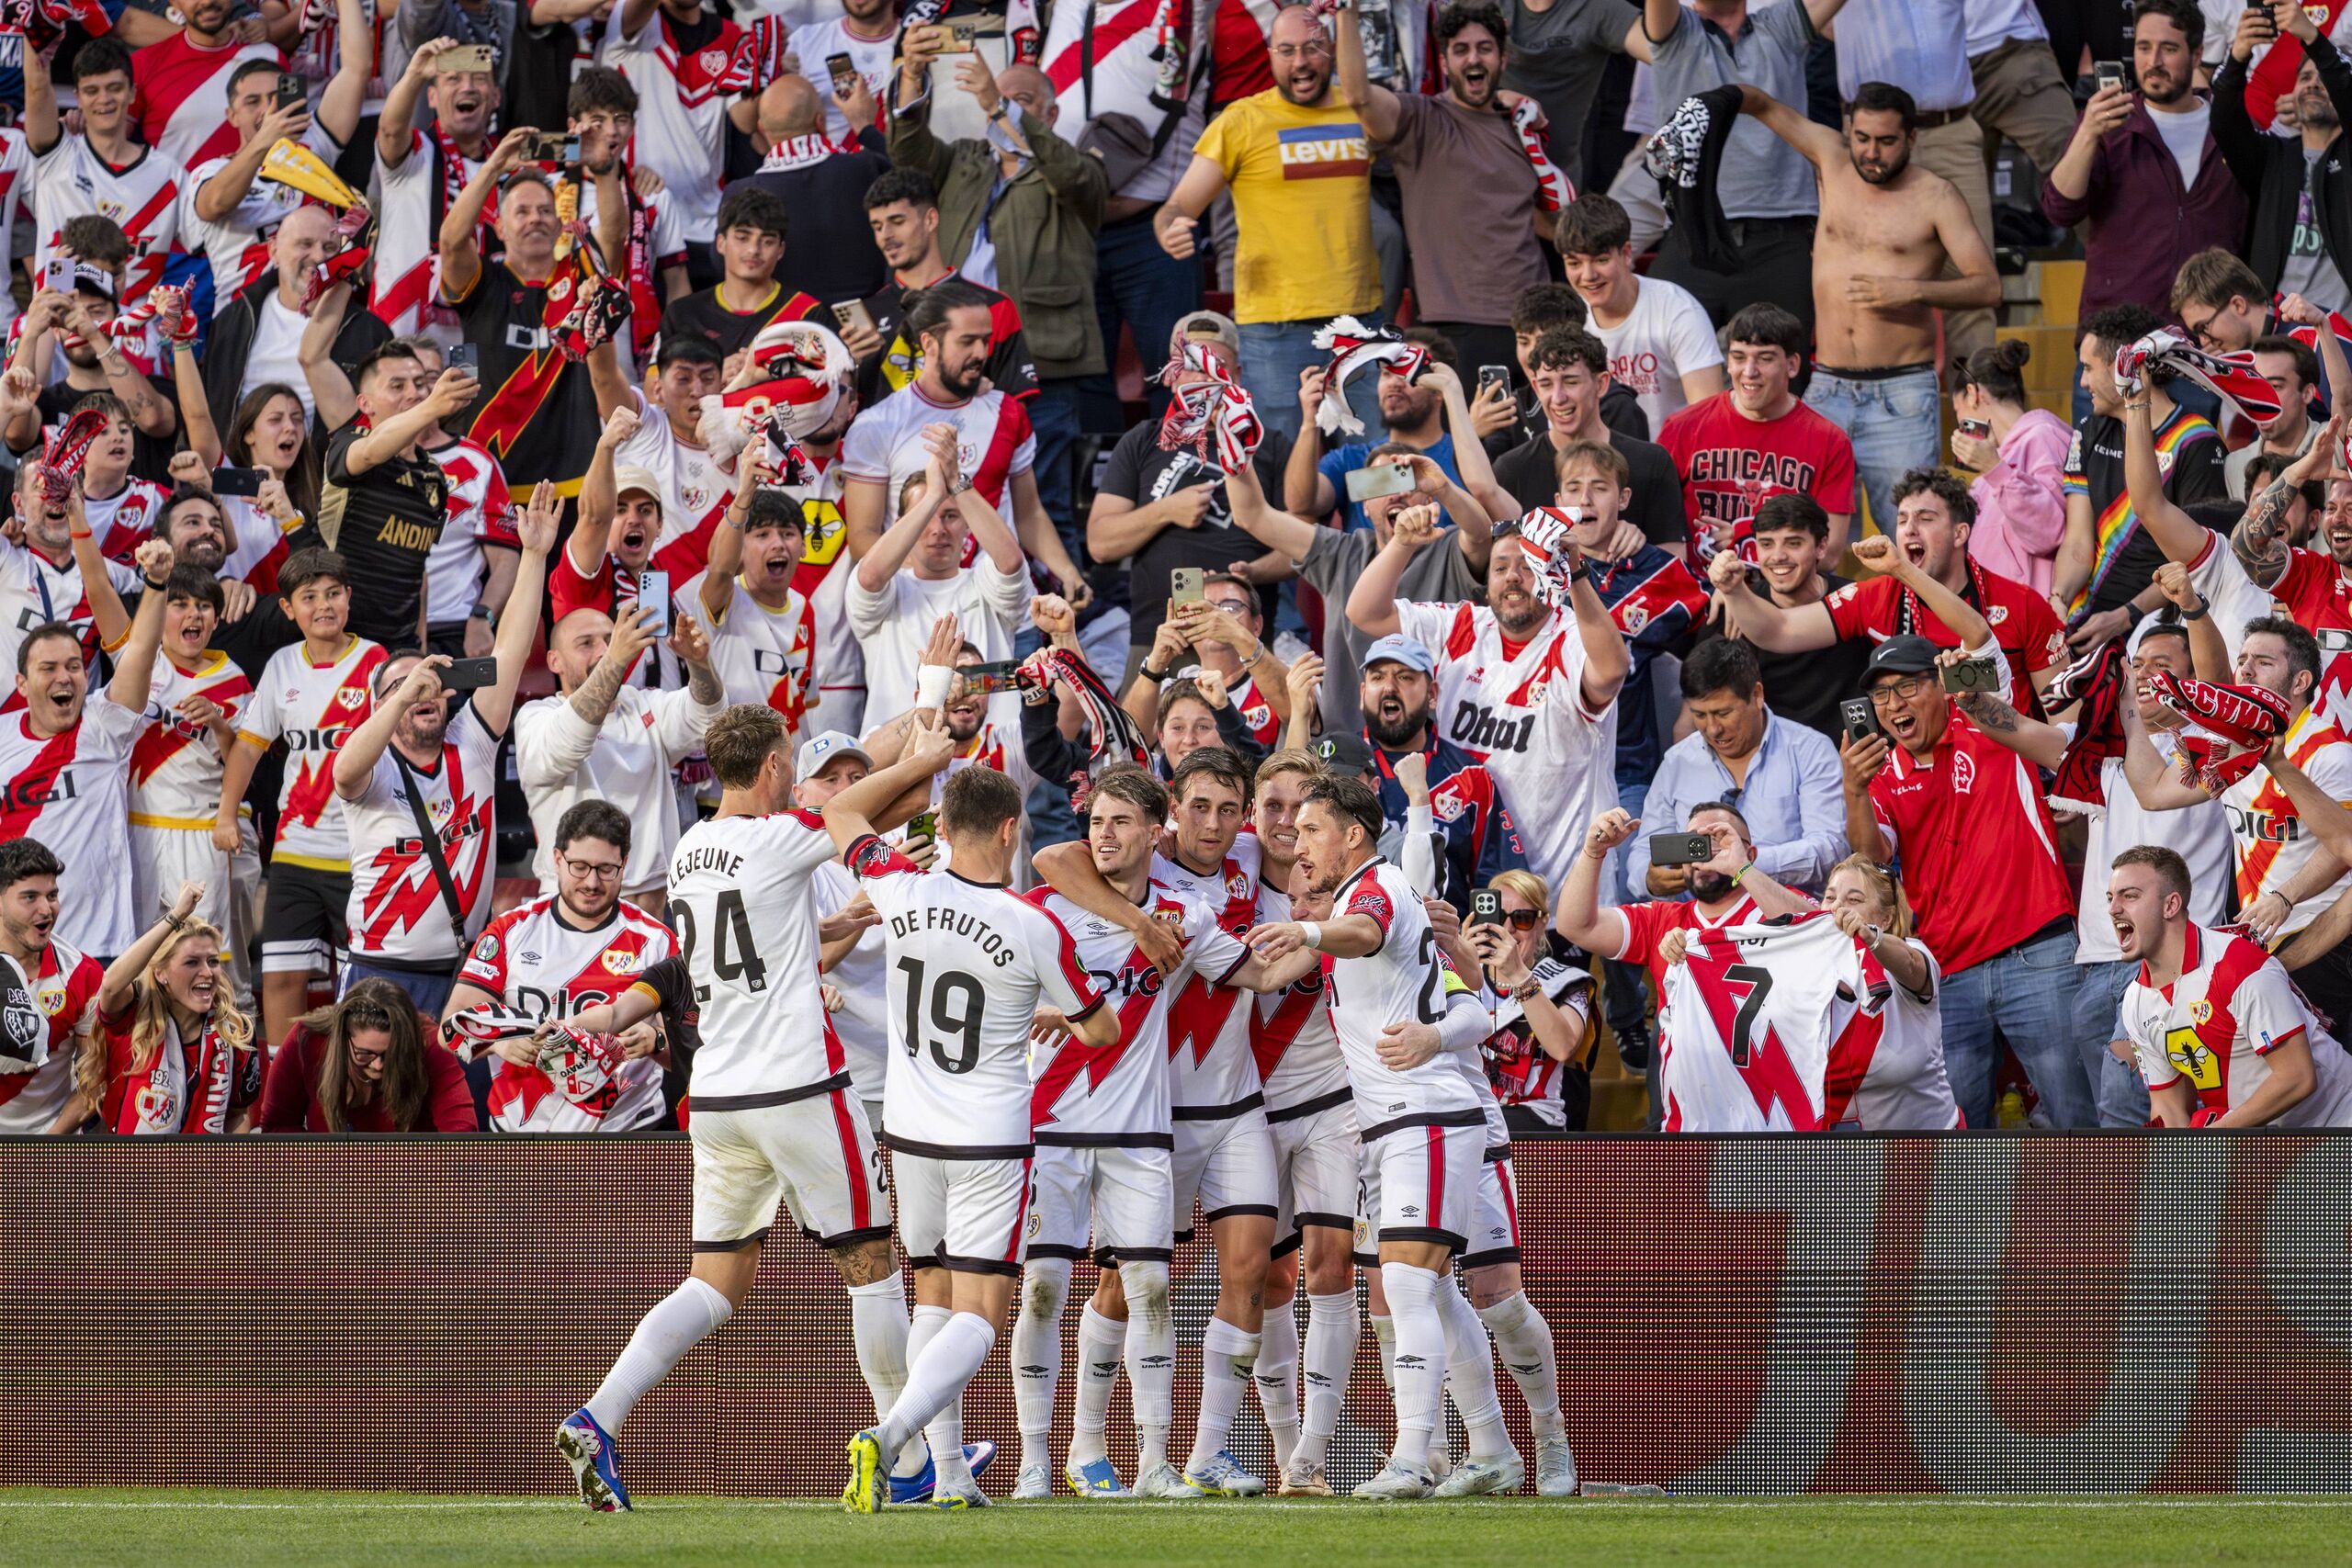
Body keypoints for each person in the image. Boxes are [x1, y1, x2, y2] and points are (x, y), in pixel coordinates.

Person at [553, 702, 923, 1513]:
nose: (794, 774)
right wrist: (929, 740)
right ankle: (905, 1454)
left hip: (718, 1093)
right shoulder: (774, 835)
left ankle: (601, 1414)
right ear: (771, 769)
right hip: (797, 1084)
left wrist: (837, 917)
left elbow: (771, 917)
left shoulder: (692, 849)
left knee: (715, 1280)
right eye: (789, 762)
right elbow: (862, 811)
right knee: (870, 1266)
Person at [830, 748, 1123, 1514]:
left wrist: (918, 756)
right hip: (988, 1137)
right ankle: (892, 1435)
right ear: (1007, 828)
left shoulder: (897, 887)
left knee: (931, 1291)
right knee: (982, 1313)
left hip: (910, 1129)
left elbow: (840, 811)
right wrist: (1052, 1010)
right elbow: (1101, 1029)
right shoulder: (1031, 924)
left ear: (944, 828)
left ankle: (951, 1472)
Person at [1012, 765, 1306, 1500]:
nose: (1103, 835)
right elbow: (1051, 858)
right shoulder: (1040, 910)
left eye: (1119, 822)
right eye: (1096, 821)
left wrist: (1337, 930)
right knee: (1044, 1288)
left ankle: (1154, 1462)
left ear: (1152, 831)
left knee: (1153, 1288)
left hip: (1142, 1131)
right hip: (1050, 1124)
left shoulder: (1189, 914)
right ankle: (1039, 1462)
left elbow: (1260, 977)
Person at [1239, 774, 1529, 1498]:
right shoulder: (1354, 900)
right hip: (1393, 1126)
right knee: (1429, 1294)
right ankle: (1492, 1445)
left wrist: (1306, 928)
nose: (1298, 848)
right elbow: (1271, 969)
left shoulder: (1379, 888)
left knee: (1404, 1283)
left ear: (1354, 836)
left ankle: (1411, 1455)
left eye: (1311, 831)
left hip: (1425, 1116)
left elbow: (1358, 932)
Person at [1838, 635, 2095, 1129]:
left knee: (2075, 1120)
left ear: (1939, 685)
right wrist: (1855, 790)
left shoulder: (1990, 726)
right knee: (1956, 1134)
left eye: (1908, 686)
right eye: (1881, 695)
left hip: (2037, 951)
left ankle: (2089, 1209)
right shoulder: (1884, 775)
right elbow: (1873, 858)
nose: (1894, 705)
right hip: (1946, 971)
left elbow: (1981, 636)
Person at [1734, 80, 2000, 539]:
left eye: (1886, 141)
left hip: (1901, 393)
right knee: (1810, 536)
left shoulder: (1937, 196)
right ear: (1847, 130)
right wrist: (1707, 101)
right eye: (1862, 138)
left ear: (1912, 139)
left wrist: (1912, 291)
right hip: (1826, 386)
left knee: (1914, 535)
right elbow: (1757, 101)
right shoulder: (1831, 158)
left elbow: (1988, 286)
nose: (1871, 153)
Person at [327, 485, 553, 1013]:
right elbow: (343, 772)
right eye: (404, 689)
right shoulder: (372, 762)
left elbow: (511, 651)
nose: (421, 693)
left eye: (428, 682)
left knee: (466, 1100)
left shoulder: (470, 740)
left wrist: (535, 556)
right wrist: (405, 687)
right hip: (378, 975)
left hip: (463, 975)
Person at [888, 39, 1108, 536]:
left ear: (1050, 115)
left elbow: (1072, 175)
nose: (1000, 106)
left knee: (1046, 501)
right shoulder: (966, 159)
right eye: (995, 97)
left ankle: (1059, 604)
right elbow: (906, 154)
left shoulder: (1078, 170)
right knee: (949, 493)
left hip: (1040, 357)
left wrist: (997, 105)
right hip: (954, 357)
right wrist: (910, 78)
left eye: (1020, 100)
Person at [1158, 5, 1379, 446]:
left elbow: (1431, 119)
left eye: (1313, 47)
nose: (1300, 61)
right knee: (1281, 471)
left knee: (1373, 471)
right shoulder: (1241, 120)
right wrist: (1169, 228)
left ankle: (1364, 520)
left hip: (1357, 325)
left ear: (1332, 50)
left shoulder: (1362, 109)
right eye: (1288, 50)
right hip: (1273, 330)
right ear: (1270, 53)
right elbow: (1178, 204)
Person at [2118, 614, 2352, 1032]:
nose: (2244, 668)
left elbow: (2344, 847)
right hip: (2261, 941)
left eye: (2263, 662)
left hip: (2325, 941)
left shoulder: (2328, 751)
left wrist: (2285, 896)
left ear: (2299, 682)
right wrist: (2128, 709)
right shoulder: (2230, 744)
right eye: (2242, 658)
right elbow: (2153, 791)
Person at [1709, 470, 2069, 713]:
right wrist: (1734, 590)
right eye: (1901, 520)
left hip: (2002, 773)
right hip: (1914, 783)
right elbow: (1778, 630)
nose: (1910, 530)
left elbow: (2063, 707)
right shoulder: (1874, 597)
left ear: (1961, 534)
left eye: (1926, 519)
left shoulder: (2021, 604)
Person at [215, 547, 385, 1049]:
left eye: (333, 593)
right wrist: (227, 813)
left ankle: (361, 1093)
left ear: (349, 598)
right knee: (283, 979)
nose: (324, 606)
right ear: (289, 609)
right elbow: (248, 748)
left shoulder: (377, 662)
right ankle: (284, 1103)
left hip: (363, 855)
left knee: (365, 987)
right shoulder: (283, 664)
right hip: (294, 852)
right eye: (309, 597)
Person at [1555, 799, 1812, 1125]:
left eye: (1716, 843)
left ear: (1749, 854)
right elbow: (1576, 926)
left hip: (1773, 1120)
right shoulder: (1666, 918)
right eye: (1693, 846)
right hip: (1688, 1123)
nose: (1702, 857)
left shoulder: (1774, 906)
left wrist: (1742, 870)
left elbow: (1818, 931)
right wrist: (1593, 853)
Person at [1335, 2, 1555, 376]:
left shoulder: (1521, 125)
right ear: (1444, 63)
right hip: (1457, 324)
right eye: (1461, 49)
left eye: (1485, 48)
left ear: (1502, 60)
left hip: (1535, 321)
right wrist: (1347, 12)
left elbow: (1529, 216)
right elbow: (1358, 96)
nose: (1474, 58)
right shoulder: (1421, 119)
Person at [838, 281, 1085, 603]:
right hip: (920, 610)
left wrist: (1067, 572)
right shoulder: (877, 425)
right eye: (967, 342)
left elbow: (1029, 513)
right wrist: (940, 576)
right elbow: (862, 537)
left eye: (985, 340)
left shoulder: (1008, 411)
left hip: (1007, 611)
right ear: (929, 343)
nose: (981, 353)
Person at [446, 801, 680, 1133]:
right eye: (579, 866)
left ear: (624, 864)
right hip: (520, 1137)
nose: (592, 883)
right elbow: (450, 1027)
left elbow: (695, 1049)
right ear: (556, 860)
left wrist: (655, 1042)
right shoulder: (511, 930)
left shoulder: (657, 940)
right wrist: (500, 1044)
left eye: (606, 869)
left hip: (626, 1137)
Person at [1091, 314, 1292, 691]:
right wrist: (1166, 510)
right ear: (1171, 375)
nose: (1201, 379)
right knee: (1140, 747)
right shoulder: (1143, 439)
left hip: (1241, 637)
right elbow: (1101, 543)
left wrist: (1254, 572)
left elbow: (1301, 550)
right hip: (1159, 638)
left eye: (1214, 367)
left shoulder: (1268, 443)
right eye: (1189, 367)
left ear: (1236, 374)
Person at [1623, 0, 1852, 330]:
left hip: (1780, 239)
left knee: (1787, 373)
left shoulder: (1781, 25)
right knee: (1670, 376)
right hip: (1693, 236)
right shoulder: (1675, 31)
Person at [1224, 455, 1486, 738]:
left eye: (1406, 482)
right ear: (1365, 505)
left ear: (1426, 498)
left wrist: (1444, 487)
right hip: (1346, 749)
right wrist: (1234, 449)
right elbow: (1252, 515)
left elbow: (1483, 534)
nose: (1396, 493)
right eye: (1381, 483)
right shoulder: (1342, 552)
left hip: (1435, 742)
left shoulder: (1446, 544)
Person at [4, 530, 173, 965]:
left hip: (96, 951)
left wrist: (156, 584)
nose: (65, 677)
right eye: (49, 668)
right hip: (10, 951)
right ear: (21, 684)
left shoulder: (103, 724)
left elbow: (140, 654)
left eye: (75, 666)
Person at [2110, 844, 2352, 1127]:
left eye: (2130, 896)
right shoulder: (2135, 1002)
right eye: (2110, 898)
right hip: (2265, 1143)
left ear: (2170, 905)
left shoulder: (2236, 964)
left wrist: (2214, 1138)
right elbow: (2169, 1107)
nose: (2114, 909)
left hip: (2335, 1123)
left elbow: (2298, 1078)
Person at [2041, 0, 2246, 330]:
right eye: (2143, 47)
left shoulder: (2230, 127)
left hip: (2209, 341)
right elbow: (2060, 209)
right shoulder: (2109, 124)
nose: (2153, 62)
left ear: (2197, 55)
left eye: (2168, 48)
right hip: (2116, 341)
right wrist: (2089, 133)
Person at [437, 139, 625, 494]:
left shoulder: (581, 276)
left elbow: (614, 235)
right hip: (488, 481)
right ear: (499, 228)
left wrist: (602, 169)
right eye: (522, 212)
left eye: (544, 211)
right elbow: (451, 241)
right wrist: (492, 167)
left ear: (559, 224)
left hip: (573, 478)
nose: (535, 218)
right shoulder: (483, 283)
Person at [515, 603, 726, 910]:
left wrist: (700, 663)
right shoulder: (538, 717)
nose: (603, 650)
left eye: (609, 639)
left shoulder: (642, 704)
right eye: (586, 643)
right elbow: (569, 742)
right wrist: (614, 660)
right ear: (554, 661)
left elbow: (710, 722)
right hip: (575, 914)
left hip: (657, 910)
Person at [2056, 303, 2229, 639]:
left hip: (2157, 622)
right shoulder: (2091, 429)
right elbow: (2077, 540)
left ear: (2122, 367)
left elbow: (2198, 560)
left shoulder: (2196, 441)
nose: (2083, 383)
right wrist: (2058, 598)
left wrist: (2127, 615)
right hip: (2088, 616)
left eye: (2089, 369)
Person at [121, 564, 254, 995]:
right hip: (137, 831)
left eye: (203, 606)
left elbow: (246, 761)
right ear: (160, 613)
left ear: (217, 619)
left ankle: (231, 1054)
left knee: (210, 961)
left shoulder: (235, 681)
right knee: (142, 957)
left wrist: (218, 723)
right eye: (179, 604)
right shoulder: (138, 660)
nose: (192, 615)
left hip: (200, 832)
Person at [1633, 637, 1846, 897]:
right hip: (1698, 928)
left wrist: (1741, 864)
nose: (1712, 729)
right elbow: (1645, 851)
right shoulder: (1677, 762)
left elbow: (1830, 850)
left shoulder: (1811, 751)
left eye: (1723, 713)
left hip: (1787, 921)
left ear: (1756, 695)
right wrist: (1650, 879)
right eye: (1699, 715)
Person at [180, 30, 369, 315]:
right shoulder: (211, 171)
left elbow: (358, 69)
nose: (268, 111)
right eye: (252, 102)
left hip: (319, 318)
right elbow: (214, 205)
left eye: (274, 98)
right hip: (247, 321)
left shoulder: (314, 150)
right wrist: (263, 143)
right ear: (232, 116)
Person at [847, 431, 1030, 719]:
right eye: (925, 514)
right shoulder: (889, 588)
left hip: (990, 759)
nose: (938, 529)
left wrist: (955, 480)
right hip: (902, 758)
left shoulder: (983, 582)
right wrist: (933, 494)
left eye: (950, 515)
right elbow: (869, 577)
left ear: (967, 524)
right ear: (902, 525)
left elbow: (1011, 562)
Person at [1346, 633, 1533, 913]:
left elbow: (1495, 878)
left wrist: (1482, 941)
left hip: (1446, 943)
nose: (1389, 687)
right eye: (1378, 677)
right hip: (1358, 934)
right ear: (1362, 694)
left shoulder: (1470, 776)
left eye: (1405, 677)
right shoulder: (1338, 766)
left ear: (1432, 695)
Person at [1657, 303, 1858, 562]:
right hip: (1696, 588)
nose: (1749, 372)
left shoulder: (1830, 441)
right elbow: (1653, 525)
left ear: (1792, 365)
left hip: (1780, 594)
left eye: (1765, 358)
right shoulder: (1682, 427)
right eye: (1739, 357)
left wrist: (1748, 537)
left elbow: (1829, 555)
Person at [302, 343, 470, 649]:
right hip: (342, 639)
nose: (415, 393)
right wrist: (431, 406)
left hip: (399, 647)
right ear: (365, 404)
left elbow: (418, 572)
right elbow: (371, 452)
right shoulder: (348, 443)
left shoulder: (433, 475)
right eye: (397, 385)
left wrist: (418, 649)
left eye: (421, 384)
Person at [74, 878, 259, 1134]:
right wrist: (176, 916)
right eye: (192, 962)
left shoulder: (235, 1032)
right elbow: (110, 985)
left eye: (213, 961)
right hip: (128, 1169)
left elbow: (238, 1116)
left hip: (202, 1170)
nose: (207, 972)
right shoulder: (133, 1019)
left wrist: (227, 1169)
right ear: (161, 973)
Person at [852, 166, 1039, 410]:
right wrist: (847, 368)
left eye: (897, 221)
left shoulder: (994, 306)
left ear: (931, 219)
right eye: (877, 226)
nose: (886, 235)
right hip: (882, 447)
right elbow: (845, 414)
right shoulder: (863, 313)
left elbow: (1016, 408)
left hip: (967, 444)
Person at [1487, 327, 1690, 551]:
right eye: (1546, 385)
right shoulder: (1512, 469)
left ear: (1601, 384)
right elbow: (1494, 563)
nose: (1558, 398)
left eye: (1571, 382)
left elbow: (1676, 568)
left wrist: (1641, 550)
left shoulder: (1652, 462)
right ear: (1535, 387)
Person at [1691, 491, 1871, 741]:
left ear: (1821, 547)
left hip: (1855, 762)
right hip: (1766, 766)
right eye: (1766, 544)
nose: (1778, 556)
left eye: (1793, 543)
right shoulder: (1732, 612)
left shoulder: (1860, 600)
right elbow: (1694, 715)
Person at [2212, 2, 2352, 312]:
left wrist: (2314, 39)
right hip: (2280, 333)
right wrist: (2238, 57)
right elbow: (2224, 122)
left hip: (2344, 334)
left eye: (2322, 78)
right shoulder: (2271, 159)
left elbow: (2346, 86)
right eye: (2304, 78)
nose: (2313, 83)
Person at [28, 39, 186, 308]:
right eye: (92, 90)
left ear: (133, 93)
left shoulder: (168, 172)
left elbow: (212, 229)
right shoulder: (58, 156)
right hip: (59, 330)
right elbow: (36, 87)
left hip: (133, 339)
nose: (104, 99)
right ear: (77, 96)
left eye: (114, 88)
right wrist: (35, 41)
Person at [206, 206, 393, 428]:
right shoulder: (233, 321)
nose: (318, 256)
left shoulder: (370, 332)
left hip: (325, 462)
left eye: (330, 247)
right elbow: (210, 406)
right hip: (239, 460)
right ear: (273, 251)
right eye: (305, 244)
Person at [1556, 192, 1726, 435]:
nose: (1588, 275)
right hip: (1590, 465)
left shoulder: (1678, 310)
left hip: (1671, 462)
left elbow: (1708, 418)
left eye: (1601, 260)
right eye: (1574, 264)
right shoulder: (1565, 318)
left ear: (1626, 253)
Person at [1293, 338, 1499, 537]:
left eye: (1408, 373)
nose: (1394, 383)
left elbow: (1488, 527)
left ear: (1439, 390)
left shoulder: (1468, 461)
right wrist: (1310, 422)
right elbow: (1301, 504)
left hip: (1445, 570)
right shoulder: (1351, 459)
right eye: (1386, 374)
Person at [1813, 854, 1962, 1130]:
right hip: (1839, 1162)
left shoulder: (1912, 955)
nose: (1838, 909)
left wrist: (1870, 938)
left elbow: (1910, 964)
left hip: (1923, 1153)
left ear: (1885, 918)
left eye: (1854, 900)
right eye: (1830, 898)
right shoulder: (1807, 973)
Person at [371, 37, 502, 339]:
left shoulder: (508, 164)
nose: (467, 87)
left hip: (477, 332)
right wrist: (415, 73)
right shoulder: (416, 153)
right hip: (403, 332)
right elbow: (390, 131)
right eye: (453, 78)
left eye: (479, 79)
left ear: (496, 97)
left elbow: (576, 153)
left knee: (464, 386)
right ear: (431, 97)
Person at [600, 0, 743, 275]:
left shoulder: (731, 34)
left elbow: (744, 122)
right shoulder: (636, 23)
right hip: (647, 213)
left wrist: (765, 68)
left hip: (711, 223)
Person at [740, 73, 892, 309]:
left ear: (762, 128)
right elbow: (908, 183)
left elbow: (725, 266)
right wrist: (864, 126)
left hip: (784, 328)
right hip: (869, 322)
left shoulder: (740, 194)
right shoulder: (866, 167)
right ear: (820, 122)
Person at [1465, 868, 1597, 1134]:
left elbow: (1562, 1047)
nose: (1509, 928)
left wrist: (1517, 974)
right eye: (1498, 917)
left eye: (1523, 918)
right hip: (1468, 1117)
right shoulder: (1459, 976)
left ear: (1542, 922)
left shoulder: (1568, 982)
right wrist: (1459, 958)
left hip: (1533, 1123)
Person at [256, 976, 477, 1132]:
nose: (379, 1065)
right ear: (342, 1038)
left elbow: (461, 1133)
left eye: (390, 1054)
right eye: (364, 1054)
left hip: (410, 1179)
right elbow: (276, 1125)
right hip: (328, 1177)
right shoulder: (308, 1038)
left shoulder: (429, 1044)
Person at [0, 436, 144, 674]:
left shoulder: (112, 576)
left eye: (65, 485)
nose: (56, 495)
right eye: (42, 486)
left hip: (80, 709)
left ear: (82, 499)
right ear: (18, 504)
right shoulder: (6, 556)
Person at [1951, 338, 2074, 597]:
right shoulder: (1988, 471)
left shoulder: (2044, 436)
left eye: (1957, 410)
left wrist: (1994, 469)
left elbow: (2048, 533)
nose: (1959, 423)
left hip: (2035, 617)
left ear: (1973, 394)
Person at [0, 839, 105, 1134]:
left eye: (52, 895)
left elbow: (94, 1081)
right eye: (30, 897)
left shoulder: (82, 974)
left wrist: (44, 1146)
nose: (46, 909)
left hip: (50, 1147)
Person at [659, 186, 822, 364]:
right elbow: (655, 386)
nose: (753, 250)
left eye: (767, 241)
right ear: (721, 243)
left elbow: (823, 382)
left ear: (780, 250)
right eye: (743, 238)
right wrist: (714, 377)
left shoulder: (807, 313)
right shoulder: (682, 313)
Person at [786, 0, 899, 142]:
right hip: (826, 161)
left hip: (891, 160)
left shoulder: (913, 44)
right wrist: (777, 76)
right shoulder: (803, 41)